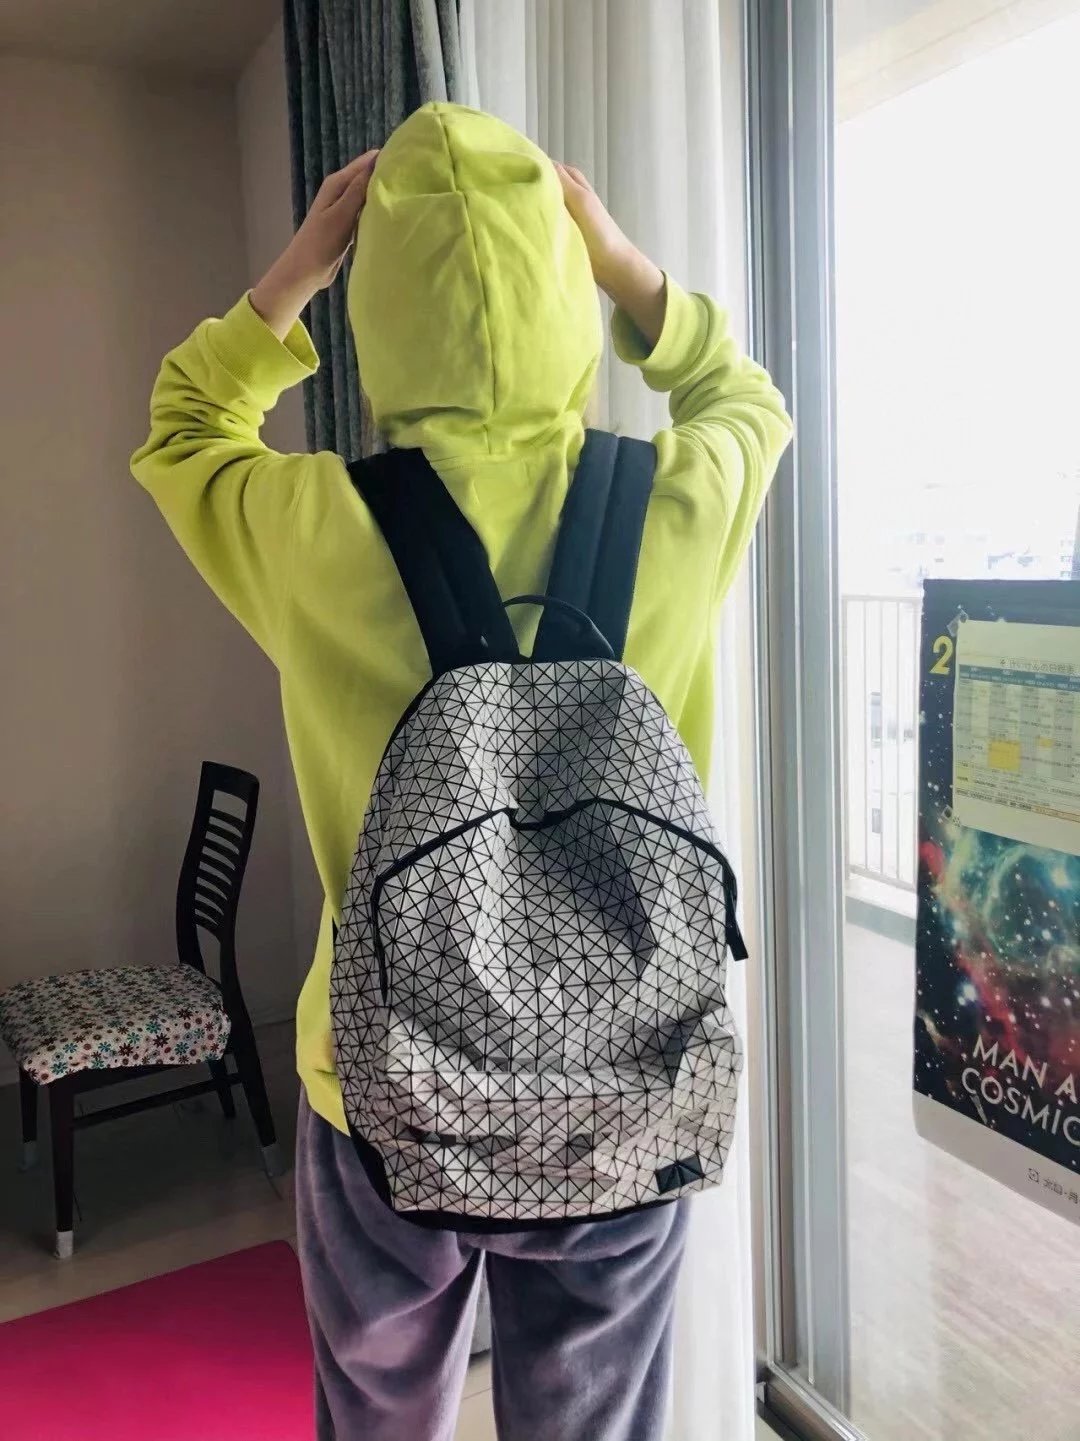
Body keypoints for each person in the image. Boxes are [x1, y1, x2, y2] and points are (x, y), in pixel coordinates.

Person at [132, 103, 791, 1441]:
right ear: (562, 287)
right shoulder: (675, 501)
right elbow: (751, 402)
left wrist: (298, 269)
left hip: (383, 1091)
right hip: (626, 1083)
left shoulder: (318, 523)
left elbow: (185, 426)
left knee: (381, 1419)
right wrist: (625, 264)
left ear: (382, 311)